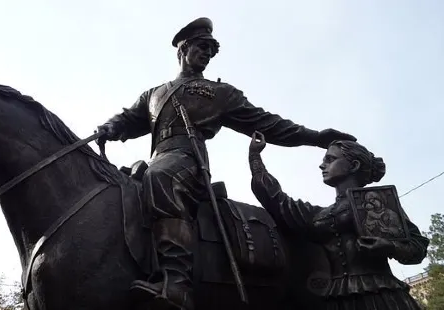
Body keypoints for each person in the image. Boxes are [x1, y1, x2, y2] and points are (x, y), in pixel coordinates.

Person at [97, 17, 357, 310]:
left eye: (211, 49)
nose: (207, 53)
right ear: (182, 49)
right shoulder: (154, 94)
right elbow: (130, 119)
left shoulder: (221, 94)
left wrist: (315, 137)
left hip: (186, 161)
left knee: (161, 177)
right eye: (202, 46)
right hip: (157, 158)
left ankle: (177, 282)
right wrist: (109, 127)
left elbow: (269, 123)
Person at [248, 131, 429, 309]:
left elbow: (417, 249)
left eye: (330, 159)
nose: (321, 165)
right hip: (337, 298)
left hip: (381, 295)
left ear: (354, 165)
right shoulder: (319, 214)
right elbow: (278, 201)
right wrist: (255, 157)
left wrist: (389, 246)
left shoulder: (378, 201)